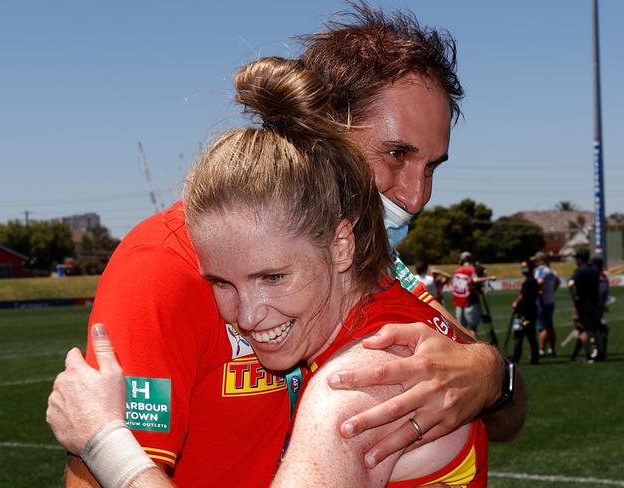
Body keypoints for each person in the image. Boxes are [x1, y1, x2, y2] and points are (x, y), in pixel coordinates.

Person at [55, 5, 526, 487]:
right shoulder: (167, 264)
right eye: (397, 154)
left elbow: (504, 416)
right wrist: (104, 443)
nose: (417, 195)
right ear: (319, 132)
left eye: (432, 167)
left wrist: (490, 374)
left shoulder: (358, 259)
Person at [568, 249, 605, 362]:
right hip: (594, 303)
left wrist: (574, 298)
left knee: (584, 330)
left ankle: (589, 355)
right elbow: (598, 287)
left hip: (583, 304)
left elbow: (571, 284)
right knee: (596, 329)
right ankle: (601, 353)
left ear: (579, 259)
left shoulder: (579, 271)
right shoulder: (594, 269)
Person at [451, 251, 495, 339]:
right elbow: (475, 280)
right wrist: (489, 278)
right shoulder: (471, 269)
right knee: (473, 329)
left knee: (461, 329)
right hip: (470, 301)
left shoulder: (457, 270)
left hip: (459, 302)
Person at [509, 260, 540, 365]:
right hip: (529, 311)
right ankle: (534, 358)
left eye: (524, 267)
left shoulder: (529, 281)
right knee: (530, 336)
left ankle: (516, 357)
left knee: (520, 335)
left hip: (526, 312)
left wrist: (516, 302)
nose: (522, 269)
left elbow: (522, 295)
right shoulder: (533, 280)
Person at [532, 251, 560, 357]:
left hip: (541, 301)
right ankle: (552, 349)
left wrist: (538, 291)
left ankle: (542, 350)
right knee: (550, 325)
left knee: (542, 327)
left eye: (537, 260)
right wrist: (551, 291)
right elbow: (558, 283)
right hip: (550, 300)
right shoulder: (552, 271)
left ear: (541, 261)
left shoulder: (541, 270)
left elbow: (538, 282)